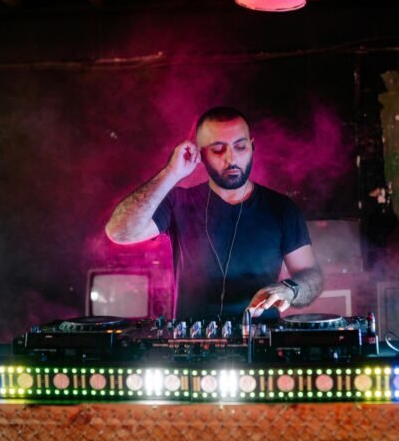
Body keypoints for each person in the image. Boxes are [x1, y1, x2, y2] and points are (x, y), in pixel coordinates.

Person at [105, 106, 324, 321]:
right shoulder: (178, 201)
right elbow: (120, 232)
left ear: (252, 146)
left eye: (240, 146)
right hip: (191, 346)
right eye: (218, 148)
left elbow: (311, 277)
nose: (231, 158)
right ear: (201, 154)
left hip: (260, 344)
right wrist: (171, 173)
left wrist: (289, 289)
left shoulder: (281, 208)